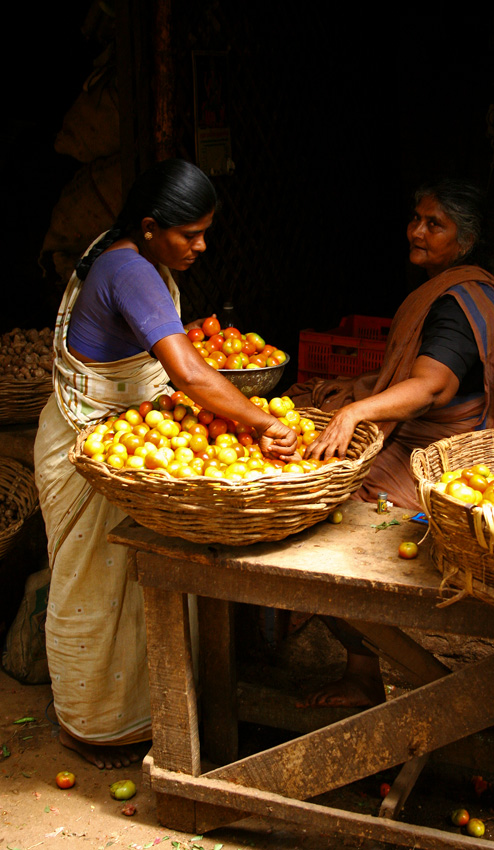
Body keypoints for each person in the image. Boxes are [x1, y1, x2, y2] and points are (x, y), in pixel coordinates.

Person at [34, 158, 298, 768]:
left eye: (206, 231)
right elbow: (186, 372)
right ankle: (93, 728)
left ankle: (151, 713)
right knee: (95, 591)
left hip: (118, 434)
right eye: (190, 234)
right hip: (90, 444)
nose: (202, 246)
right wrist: (263, 423)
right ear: (151, 227)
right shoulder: (130, 270)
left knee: (127, 583)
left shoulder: (128, 251)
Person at [287, 177, 494, 708]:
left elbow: (433, 386)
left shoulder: (458, 303)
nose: (417, 231)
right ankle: (363, 665)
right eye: (417, 219)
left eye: (435, 224)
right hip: (427, 431)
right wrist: (360, 386)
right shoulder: (447, 292)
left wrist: (358, 409)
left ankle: (363, 669)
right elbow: (413, 372)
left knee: (334, 508)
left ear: (465, 242)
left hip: (450, 449)